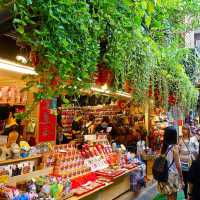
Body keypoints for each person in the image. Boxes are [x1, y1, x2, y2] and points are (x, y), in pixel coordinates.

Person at [157, 126, 183, 200]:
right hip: (173, 176)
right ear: (174, 136)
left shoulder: (163, 147)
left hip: (164, 175)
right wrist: (181, 177)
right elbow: (178, 165)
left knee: (169, 196)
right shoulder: (174, 148)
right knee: (173, 197)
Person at [179, 126, 199, 199]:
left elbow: (197, 149)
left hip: (191, 163)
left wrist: (193, 155)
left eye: (186, 129)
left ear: (188, 130)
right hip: (182, 163)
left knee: (190, 179)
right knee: (184, 180)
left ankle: (190, 194)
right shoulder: (180, 139)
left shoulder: (193, 139)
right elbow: (178, 150)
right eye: (183, 129)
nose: (184, 131)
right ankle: (185, 196)